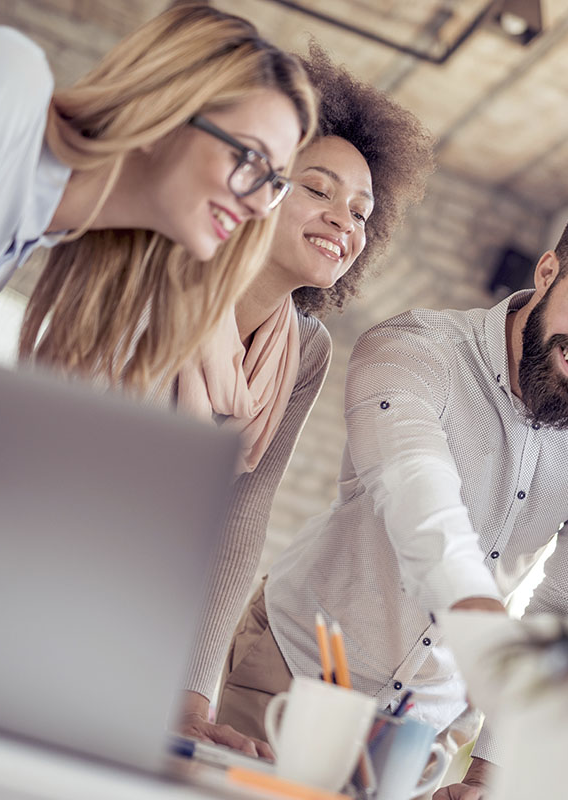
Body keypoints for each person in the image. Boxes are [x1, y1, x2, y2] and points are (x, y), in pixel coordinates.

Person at [211, 186, 568, 792]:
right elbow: (416, 488)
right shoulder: (413, 349)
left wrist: (491, 767)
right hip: (295, 672)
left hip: (428, 726)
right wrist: (476, 611)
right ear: (547, 271)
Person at [164, 46, 435, 755]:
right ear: (263, 180)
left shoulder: (305, 351)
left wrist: (194, 695)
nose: (344, 220)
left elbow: (240, 519)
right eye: (318, 189)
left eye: (361, 211)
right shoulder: (163, 286)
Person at [0, 5, 317, 392]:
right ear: (164, 114)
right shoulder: (4, 76)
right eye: (252, 160)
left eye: (273, 182)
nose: (260, 206)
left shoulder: (25, 238)